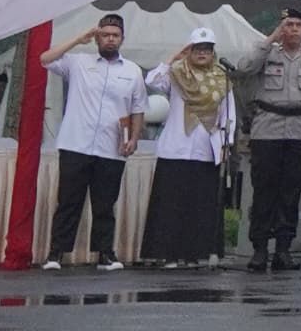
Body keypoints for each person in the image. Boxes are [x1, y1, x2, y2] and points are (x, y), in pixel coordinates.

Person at [44, 13, 149, 267]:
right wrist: (79, 38)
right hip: (76, 144)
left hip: (111, 147)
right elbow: (45, 59)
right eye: (105, 35)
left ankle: (104, 254)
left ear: (122, 39)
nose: (110, 40)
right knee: (69, 201)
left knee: (104, 205)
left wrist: (134, 139)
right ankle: (56, 253)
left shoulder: (132, 71)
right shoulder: (78, 62)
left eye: (115, 35)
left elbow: (138, 109)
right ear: (97, 37)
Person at [238, 10, 301, 273]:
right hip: (268, 128)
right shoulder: (267, 53)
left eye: (298, 25)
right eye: (288, 25)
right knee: (264, 190)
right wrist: (270, 39)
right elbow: (244, 69)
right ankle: (259, 250)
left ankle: (283, 250)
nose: (293, 29)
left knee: (291, 192)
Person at [133, 36, 235, 266]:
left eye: (207, 49)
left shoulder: (221, 78)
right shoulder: (177, 74)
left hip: (205, 149)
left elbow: (229, 113)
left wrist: (225, 145)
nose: (202, 54)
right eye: (197, 49)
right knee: (171, 206)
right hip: (175, 148)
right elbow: (152, 81)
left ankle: (194, 254)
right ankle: (168, 254)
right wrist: (174, 58)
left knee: (199, 206)